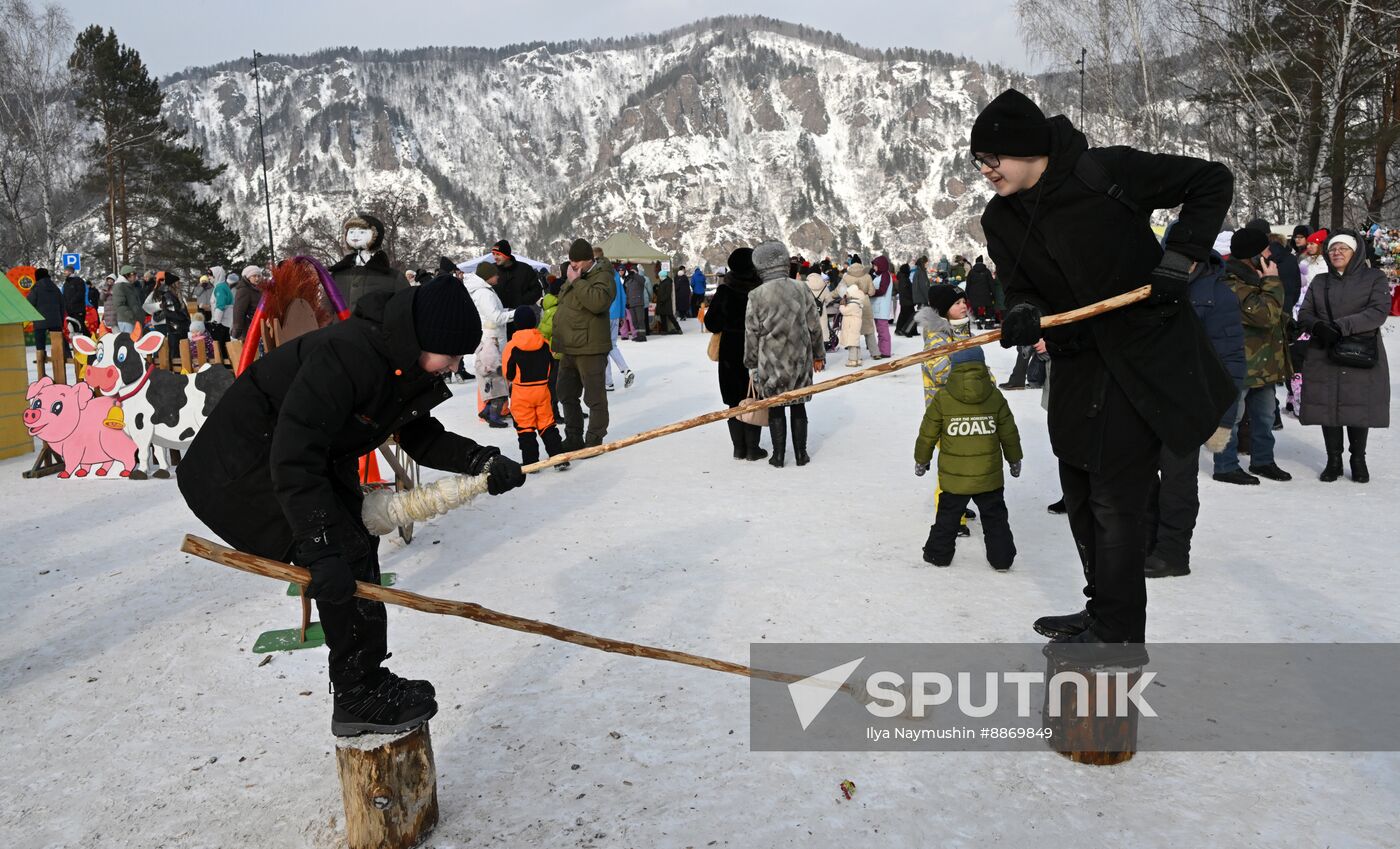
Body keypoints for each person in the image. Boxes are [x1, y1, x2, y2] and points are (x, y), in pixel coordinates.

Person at [176, 275, 525, 737]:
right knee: (341, 552)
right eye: (452, 355)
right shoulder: (348, 356)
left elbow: (417, 432)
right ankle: (357, 693)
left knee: (354, 547)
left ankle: (366, 680)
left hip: (295, 457)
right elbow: (293, 456)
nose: (454, 366)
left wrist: (480, 461)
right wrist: (319, 549)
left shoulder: (398, 358)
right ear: (425, 338)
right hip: (240, 470)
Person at [973, 87, 1235, 649]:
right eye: (979, 161)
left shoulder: (1105, 172)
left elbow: (1211, 179)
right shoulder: (1000, 217)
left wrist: (1182, 255)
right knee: (1079, 487)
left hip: (1144, 355)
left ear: (1029, 148)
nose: (986, 169)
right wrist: (1023, 312)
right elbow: (1020, 284)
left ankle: (1118, 631)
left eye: (994, 157)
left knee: (1115, 497)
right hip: (1077, 362)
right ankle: (1103, 610)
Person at [1145, 236, 1244, 579]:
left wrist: (1224, 420)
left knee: (1177, 481)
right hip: (1147, 400)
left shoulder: (1218, 295)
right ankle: (1147, 542)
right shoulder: (1149, 286)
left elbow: (1231, 360)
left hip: (1188, 405)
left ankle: (1173, 552)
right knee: (1140, 477)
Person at [914, 347, 1022, 569]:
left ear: (954, 366)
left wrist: (921, 459)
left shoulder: (943, 398)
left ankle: (938, 555)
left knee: (947, 517)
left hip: (955, 478)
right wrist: (1014, 459)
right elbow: (1009, 432)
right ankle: (1002, 558)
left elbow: (928, 433)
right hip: (988, 476)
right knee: (995, 518)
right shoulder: (995, 396)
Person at [1297, 230, 1391, 483]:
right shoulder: (1320, 281)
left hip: (1360, 350)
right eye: (1333, 248)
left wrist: (1340, 327)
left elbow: (1378, 311)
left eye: (1343, 248)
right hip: (1324, 350)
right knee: (1328, 405)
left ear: (1355, 252)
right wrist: (1317, 326)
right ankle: (1333, 460)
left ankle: (1358, 459)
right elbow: (1305, 312)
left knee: (1358, 405)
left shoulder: (1374, 278)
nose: (1336, 252)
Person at [1212, 228, 1292, 485]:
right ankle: (1225, 466)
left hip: (1264, 364)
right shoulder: (1232, 283)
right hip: (1240, 363)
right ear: (1253, 255)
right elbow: (1265, 315)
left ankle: (1263, 460)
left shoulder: (1255, 279)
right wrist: (1273, 281)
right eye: (1266, 249)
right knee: (1232, 417)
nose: (1271, 254)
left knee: (1265, 417)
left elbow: (1275, 315)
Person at [744, 239, 825, 467]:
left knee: (775, 407)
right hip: (799, 357)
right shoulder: (801, 288)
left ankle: (778, 456)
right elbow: (814, 326)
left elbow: (751, 333)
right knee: (798, 404)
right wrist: (818, 354)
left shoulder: (756, 295)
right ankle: (801, 454)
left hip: (771, 361)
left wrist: (751, 363)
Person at [704, 248, 768, 461]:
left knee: (733, 400)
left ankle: (739, 448)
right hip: (756, 349)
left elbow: (712, 323)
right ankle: (753, 448)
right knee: (753, 396)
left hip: (730, 350)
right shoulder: (760, 290)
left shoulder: (725, 290)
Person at [555, 239, 615, 450]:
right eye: (571, 261)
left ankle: (594, 438)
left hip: (590, 347)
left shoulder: (603, 276)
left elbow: (598, 303)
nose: (573, 265)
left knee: (594, 397)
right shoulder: (575, 275)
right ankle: (573, 436)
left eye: (578, 261)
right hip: (569, 347)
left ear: (590, 260)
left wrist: (577, 282)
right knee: (565, 393)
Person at [503, 306, 569, 470]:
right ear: (534, 322)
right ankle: (558, 458)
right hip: (542, 391)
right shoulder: (544, 343)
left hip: (521, 393)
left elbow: (508, 373)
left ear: (516, 324)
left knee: (525, 428)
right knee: (547, 425)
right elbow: (551, 366)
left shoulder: (512, 346)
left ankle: (531, 463)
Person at [463, 259, 514, 428]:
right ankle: (492, 414)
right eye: (495, 274)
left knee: (494, 377)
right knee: (494, 378)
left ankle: (490, 410)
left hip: (491, 338)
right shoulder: (484, 293)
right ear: (488, 276)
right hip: (492, 340)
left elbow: (492, 313)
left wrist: (506, 311)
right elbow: (495, 317)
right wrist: (515, 314)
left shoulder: (483, 291)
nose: (498, 277)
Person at [916, 285, 973, 407]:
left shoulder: (968, 334)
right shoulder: (935, 338)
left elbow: (981, 364)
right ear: (943, 308)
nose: (963, 306)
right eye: (957, 303)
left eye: (964, 302)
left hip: (968, 400)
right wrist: (976, 377)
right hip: (943, 406)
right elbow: (940, 374)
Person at [489, 240, 542, 335]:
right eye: (494, 254)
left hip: (520, 320)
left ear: (506, 255)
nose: (495, 257)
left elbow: (537, 290)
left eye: (498, 254)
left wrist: (521, 301)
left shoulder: (525, 269)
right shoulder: (491, 270)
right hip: (498, 321)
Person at [604, 264, 635, 391]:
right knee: (611, 345)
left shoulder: (600, 274)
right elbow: (622, 295)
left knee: (603, 348)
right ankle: (625, 369)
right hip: (616, 314)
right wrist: (622, 314)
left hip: (604, 314)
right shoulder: (616, 275)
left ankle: (608, 382)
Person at [26, 268, 63, 355]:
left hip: (40, 320)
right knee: (57, 341)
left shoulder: (36, 288)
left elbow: (29, 303)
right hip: (56, 320)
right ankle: (59, 357)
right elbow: (62, 304)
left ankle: (41, 358)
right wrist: (60, 319)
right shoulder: (55, 288)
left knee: (40, 342)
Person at [868, 255, 896, 358]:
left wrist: (871, 292)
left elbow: (882, 290)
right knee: (880, 331)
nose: (874, 267)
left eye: (875, 265)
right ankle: (881, 350)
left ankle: (885, 351)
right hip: (878, 308)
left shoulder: (885, 275)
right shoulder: (880, 276)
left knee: (883, 331)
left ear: (881, 265)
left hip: (881, 308)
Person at [231, 266, 263, 341]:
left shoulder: (259, 289)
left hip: (260, 326)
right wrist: (237, 331)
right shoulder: (243, 290)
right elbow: (239, 311)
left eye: (259, 276)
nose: (257, 278)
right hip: (249, 328)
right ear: (248, 277)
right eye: (254, 276)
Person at [964, 256, 996, 329]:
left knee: (975, 308)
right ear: (982, 262)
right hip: (985, 293)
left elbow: (968, 284)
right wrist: (993, 294)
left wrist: (967, 294)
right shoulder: (987, 271)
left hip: (974, 294)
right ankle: (987, 323)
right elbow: (991, 283)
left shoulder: (971, 272)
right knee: (988, 307)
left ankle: (978, 324)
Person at [839, 284, 866, 366]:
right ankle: (858, 359)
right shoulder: (858, 302)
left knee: (852, 343)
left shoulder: (853, 304)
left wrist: (841, 305)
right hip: (854, 324)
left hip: (851, 325)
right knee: (855, 342)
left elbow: (844, 311)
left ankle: (852, 360)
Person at [111, 265, 143, 334]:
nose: (135, 276)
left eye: (135, 274)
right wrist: (132, 315)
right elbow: (119, 305)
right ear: (127, 275)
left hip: (133, 321)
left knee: (136, 340)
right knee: (129, 340)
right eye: (133, 274)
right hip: (126, 321)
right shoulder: (119, 286)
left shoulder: (130, 286)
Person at [623, 264, 648, 342]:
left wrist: (635, 274)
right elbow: (627, 292)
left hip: (638, 302)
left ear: (636, 271)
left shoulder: (640, 278)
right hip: (631, 303)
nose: (632, 272)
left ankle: (642, 336)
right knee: (634, 321)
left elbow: (643, 281)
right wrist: (627, 302)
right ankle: (638, 335)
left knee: (640, 320)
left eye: (633, 271)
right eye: (631, 271)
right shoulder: (629, 281)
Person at [895, 262, 918, 337]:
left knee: (905, 316)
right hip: (907, 301)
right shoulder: (904, 279)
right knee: (910, 316)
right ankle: (906, 331)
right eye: (908, 269)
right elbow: (906, 291)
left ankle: (905, 330)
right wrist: (912, 299)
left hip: (906, 301)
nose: (909, 270)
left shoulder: (904, 277)